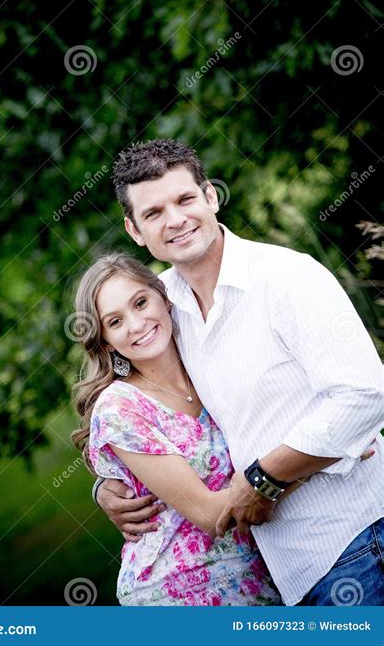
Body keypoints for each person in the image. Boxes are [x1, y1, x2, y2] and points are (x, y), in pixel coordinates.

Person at [94, 138, 383, 606]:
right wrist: (110, 484)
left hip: (353, 540)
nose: (175, 220)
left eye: (185, 199)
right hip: (277, 569)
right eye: (153, 213)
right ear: (134, 230)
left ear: (210, 196)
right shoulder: (160, 307)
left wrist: (262, 480)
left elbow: (366, 395)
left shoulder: (288, 277)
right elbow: (141, 408)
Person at [72, 252, 284, 605]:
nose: (137, 324)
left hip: (262, 576)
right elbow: (209, 513)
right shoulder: (120, 408)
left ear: (163, 296)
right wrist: (310, 460)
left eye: (140, 302)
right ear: (106, 341)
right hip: (180, 592)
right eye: (116, 321)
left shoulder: (208, 359)